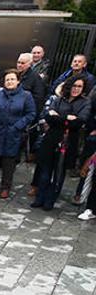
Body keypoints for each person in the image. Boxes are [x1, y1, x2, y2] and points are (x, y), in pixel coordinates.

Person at [31, 75, 90, 211]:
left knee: (59, 172)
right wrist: (66, 119)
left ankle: (50, 199)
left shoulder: (85, 103)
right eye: (74, 86)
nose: (76, 89)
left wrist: (58, 117)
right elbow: (48, 116)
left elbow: (79, 122)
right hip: (52, 138)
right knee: (45, 170)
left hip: (68, 140)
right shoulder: (59, 99)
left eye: (79, 86)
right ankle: (40, 197)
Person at [0, 69, 36, 199]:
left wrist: (18, 126)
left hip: (13, 134)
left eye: (12, 79)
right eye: (7, 80)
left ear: (18, 81)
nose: (10, 82)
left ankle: (5, 187)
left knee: (8, 162)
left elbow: (31, 114)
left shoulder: (26, 96)